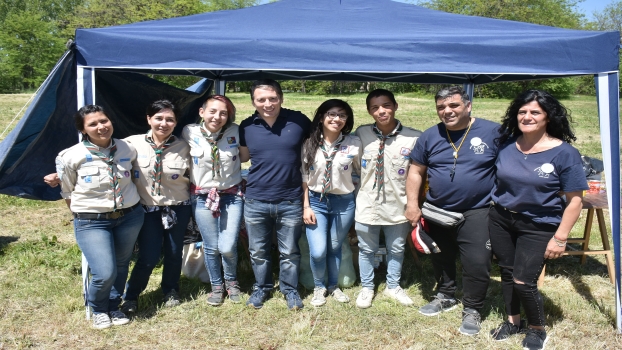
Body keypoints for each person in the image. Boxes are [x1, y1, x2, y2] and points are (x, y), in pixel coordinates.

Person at [488, 90, 587, 350]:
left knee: (524, 280)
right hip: (500, 218)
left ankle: (537, 328)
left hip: (539, 224)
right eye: (522, 111)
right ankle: (513, 321)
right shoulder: (507, 144)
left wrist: (560, 237)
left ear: (548, 117)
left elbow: (575, 200)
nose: (527, 116)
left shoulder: (565, 153)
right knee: (508, 273)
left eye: (535, 112)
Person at [405, 86, 499, 335]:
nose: (447, 111)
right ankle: (446, 295)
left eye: (453, 105)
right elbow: (415, 171)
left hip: (477, 209)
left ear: (468, 106)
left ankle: (473, 309)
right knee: (441, 255)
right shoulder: (429, 136)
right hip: (437, 209)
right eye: (441, 107)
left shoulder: (494, 132)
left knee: (477, 261)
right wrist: (412, 204)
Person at [54, 105, 144, 329]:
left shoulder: (126, 148)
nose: (101, 126)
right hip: (91, 220)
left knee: (122, 264)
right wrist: (80, 215)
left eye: (104, 121)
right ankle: (98, 308)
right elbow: (67, 191)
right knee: (105, 271)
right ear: (83, 130)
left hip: (129, 215)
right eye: (93, 124)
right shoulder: (70, 156)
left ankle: (113, 305)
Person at [238, 79, 312, 310]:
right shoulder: (246, 126)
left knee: (289, 251)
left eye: (272, 98)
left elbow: (315, 150)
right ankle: (262, 288)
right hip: (256, 199)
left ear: (281, 98)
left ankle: (290, 290)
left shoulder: (299, 121)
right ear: (253, 101)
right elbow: (243, 157)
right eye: (261, 99)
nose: (267, 103)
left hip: (290, 198)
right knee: (258, 250)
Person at [121, 100, 192, 313]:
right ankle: (131, 296)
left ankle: (171, 290)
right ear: (148, 119)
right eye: (159, 118)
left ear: (176, 122)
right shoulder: (131, 144)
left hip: (178, 208)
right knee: (149, 256)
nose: (164, 123)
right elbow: (104, 155)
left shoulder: (185, 147)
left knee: (173, 252)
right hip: (148, 209)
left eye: (170, 119)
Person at [354, 89, 422, 309]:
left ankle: (393, 286)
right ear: (369, 111)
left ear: (395, 106)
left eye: (385, 105)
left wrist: (414, 204)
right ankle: (367, 287)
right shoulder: (362, 133)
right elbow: (357, 167)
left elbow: (418, 173)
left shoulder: (413, 137)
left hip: (398, 204)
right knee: (366, 249)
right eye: (374, 107)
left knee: (397, 248)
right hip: (367, 203)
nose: (381, 111)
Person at [182, 95, 244, 306]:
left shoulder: (236, 131)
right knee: (211, 245)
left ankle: (232, 282)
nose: (217, 117)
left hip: (232, 196)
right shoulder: (189, 132)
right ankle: (217, 287)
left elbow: (245, 157)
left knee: (227, 245)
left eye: (223, 113)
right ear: (201, 112)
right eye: (212, 111)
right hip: (202, 197)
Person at [301, 99, 361, 307]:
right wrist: (306, 206)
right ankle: (319, 286)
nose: (337, 119)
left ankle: (333, 286)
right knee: (318, 250)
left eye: (342, 115)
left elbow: (360, 172)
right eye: (332, 114)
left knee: (335, 247)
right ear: (322, 117)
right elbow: (304, 179)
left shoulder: (354, 143)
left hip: (343, 203)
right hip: (316, 202)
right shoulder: (308, 142)